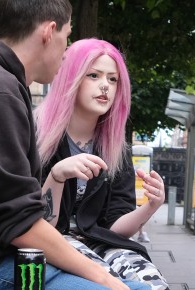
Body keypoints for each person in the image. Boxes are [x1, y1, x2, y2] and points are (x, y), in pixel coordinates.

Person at [0, 1, 151, 290]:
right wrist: (103, 278)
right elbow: (19, 222)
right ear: (49, 32)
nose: (66, 50)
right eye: (67, 37)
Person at [34, 38, 170, 289]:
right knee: (110, 283)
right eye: (94, 75)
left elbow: (115, 228)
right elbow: (36, 225)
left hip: (99, 241)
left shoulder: (116, 147)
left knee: (153, 282)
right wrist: (56, 176)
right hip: (50, 242)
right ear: (70, 78)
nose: (105, 86)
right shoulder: (37, 135)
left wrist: (151, 206)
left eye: (112, 79)